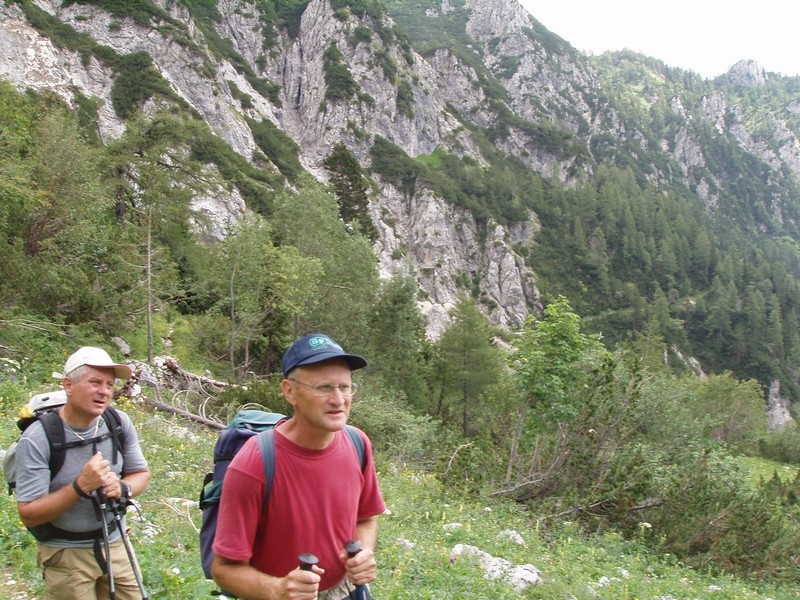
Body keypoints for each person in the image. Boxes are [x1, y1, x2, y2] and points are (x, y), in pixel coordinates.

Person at [212, 333, 386, 600]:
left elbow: (365, 518)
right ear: (289, 391)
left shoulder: (357, 443)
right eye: (324, 388)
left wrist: (363, 552)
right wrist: (278, 589)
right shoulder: (254, 462)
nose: (339, 400)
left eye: (345, 386)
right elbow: (223, 570)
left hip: (346, 591)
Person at [15, 346, 152, 600]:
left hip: (116, 543)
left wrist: (122, 488)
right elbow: (29, 514)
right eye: (95, 382)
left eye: (110, 385)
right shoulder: (39, 438)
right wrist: (80, 487)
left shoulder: (118, 423)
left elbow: (141, 473)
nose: (104, 391)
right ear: (69, 385)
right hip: (66, 553)